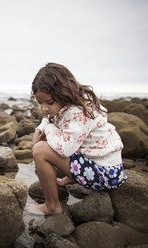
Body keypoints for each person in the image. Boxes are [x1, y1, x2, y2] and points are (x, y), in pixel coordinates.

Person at [27, 62, 127, 215]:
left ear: (63, 93)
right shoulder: (78, 101)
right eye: (40, 102)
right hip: (108, 168)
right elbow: (51, 118)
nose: (44, 108)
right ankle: (69, 178)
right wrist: (40, 128)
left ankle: (52, 206)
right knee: (58, 137)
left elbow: (64, 149)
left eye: (49, 102)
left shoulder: (77, 112)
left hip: (105, 175)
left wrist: (48, 128)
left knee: (40, 150)